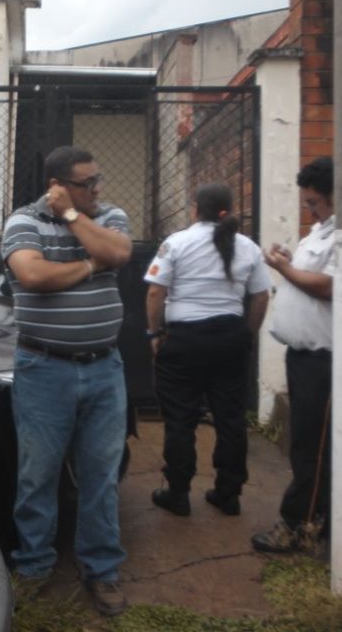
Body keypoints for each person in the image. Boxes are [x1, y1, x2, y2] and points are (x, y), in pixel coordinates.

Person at [0, 145, 133, 617]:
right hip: (44, 368)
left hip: (104, 368)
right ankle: (34, 566)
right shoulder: (23, 222)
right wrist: (91, 265)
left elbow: (118, 252)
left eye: (98, 179)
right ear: (56, 186)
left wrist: (74, 215)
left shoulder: (108, 215)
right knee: (38, 474)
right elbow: (32, 275)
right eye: (85, 183)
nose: (97, 189)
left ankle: (101, 569)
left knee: (101, 475)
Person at [144, 183, 271, 517]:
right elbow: (261, 296)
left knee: (179, 419)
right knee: (230, 419)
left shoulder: (176, 243)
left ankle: (178, 492)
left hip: (185, 340)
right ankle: (228, 493)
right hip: (230, 338)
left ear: (195, 209)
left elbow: (156, 293)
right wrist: (246, 334)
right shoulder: (248, 247)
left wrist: (154, 333)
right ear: (228, 210)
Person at [252, 156, 335, 553]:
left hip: (324, 361)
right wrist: (288, 260)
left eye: (314, 202)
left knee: (313, 448)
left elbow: (327, 286)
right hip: (302, 358)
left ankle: (299, 524)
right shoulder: (320, 231)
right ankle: (314, 522)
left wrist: (284, 269)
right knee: (304, 444)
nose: (310, 210)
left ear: (337, 195)